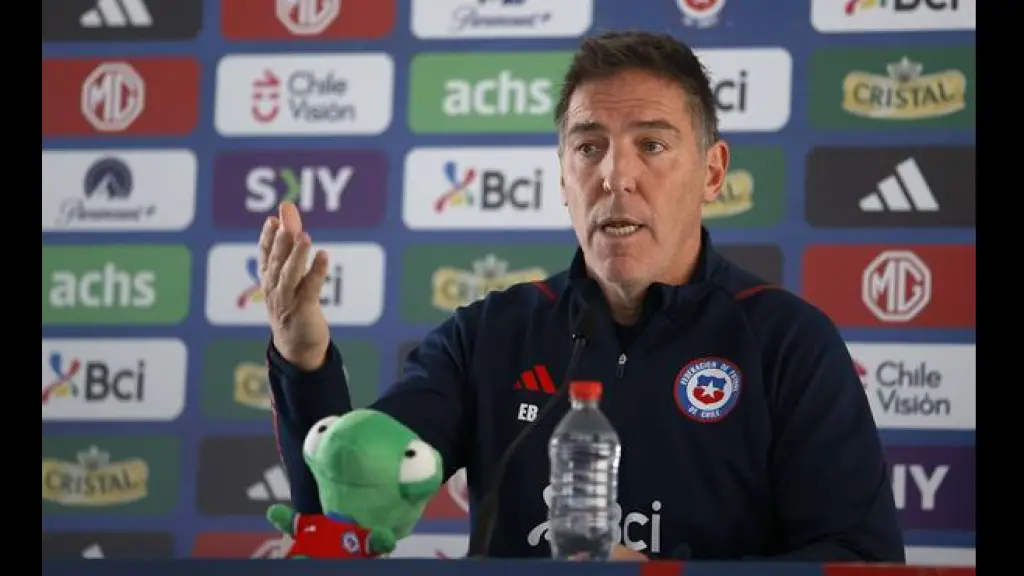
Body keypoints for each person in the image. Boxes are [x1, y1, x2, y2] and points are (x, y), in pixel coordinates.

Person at [260, 30, 905, 562]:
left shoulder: (786, 341)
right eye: (589, 147)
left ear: (712, 172)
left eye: (651, 145)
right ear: (563, 177)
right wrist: (304, 362)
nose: (615, 176)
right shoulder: (488, 334)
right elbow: (345, 520)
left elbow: (859, 557)